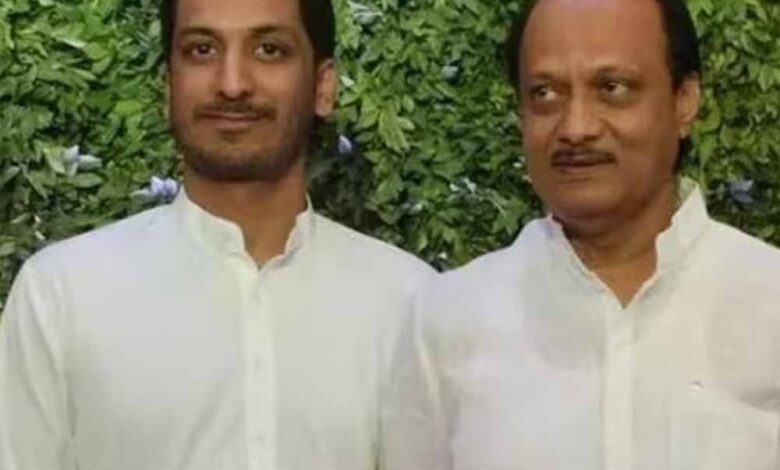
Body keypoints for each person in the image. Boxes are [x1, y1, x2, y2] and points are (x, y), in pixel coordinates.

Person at [0, 0, 433, 468]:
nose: (232, 84)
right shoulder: (63, 295)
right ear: (169, 85)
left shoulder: (409, 302)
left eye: (269, 49)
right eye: (202, 49)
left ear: (322, 87)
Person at [380, 0, 780, 468]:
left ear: (684, 101)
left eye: (612, 88)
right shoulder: (448, 321)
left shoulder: (767, 302)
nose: (576, 128)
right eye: (545, 94)